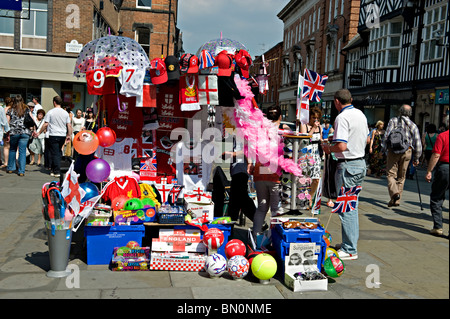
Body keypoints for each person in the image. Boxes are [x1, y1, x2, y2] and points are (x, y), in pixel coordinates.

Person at [322, 89, 369, 260]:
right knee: (351, 206)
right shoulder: (360, 115)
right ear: (351, 99)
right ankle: (349, 244)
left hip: (348, 165)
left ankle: (350, 249)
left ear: (336, 102)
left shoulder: (342, 117)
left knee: (346, 208)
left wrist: (328, 148)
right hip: (359, 163)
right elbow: (367, 139)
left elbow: (341, 146)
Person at [251, 106, 284, 241]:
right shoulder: (283, 133)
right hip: (275, 174)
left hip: (260, 173)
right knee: (275, 210)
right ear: (280, 117)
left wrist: (249, 164)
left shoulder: (259, 132)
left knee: (261, 208)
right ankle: (273, 239)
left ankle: (255, 237)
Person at [382, 104, 422, 207]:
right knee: (401, 176)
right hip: (407, 151)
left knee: (390, 174)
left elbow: (386, 136)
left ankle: (395, 194)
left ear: (400, 111)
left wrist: (384, 150)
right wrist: (417, 157)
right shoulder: (413, 125)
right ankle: (396, 200)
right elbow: (417, 142)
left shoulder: (393, 121)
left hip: (393, 151)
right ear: (410, 113)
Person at [33, 96, 72, 178]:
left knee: (54, 153)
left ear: (54, 102)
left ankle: (57, 170)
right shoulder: (65, 113)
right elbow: (69, 125)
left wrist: (39, 132)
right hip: (62, 135)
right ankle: (54, 169)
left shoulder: (50, 112)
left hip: (53, 134)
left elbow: (46, 124)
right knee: (58, 151)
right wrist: (69, 135)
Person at [222, 133, 255, 225]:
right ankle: (231, 223)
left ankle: (258, 221)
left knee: (241, 197)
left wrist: (249, 163)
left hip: (240, 170)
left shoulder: (243, 131)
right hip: (237, 169)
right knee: (235, 199)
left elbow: (247, 149)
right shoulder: (237, 131)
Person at [425, 116, 449, 237]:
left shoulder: (443, 136)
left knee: (437, 197)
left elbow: (436, 155)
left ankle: (438, 227)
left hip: (445, 168)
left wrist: (429, 170)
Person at [5, 95, 35, 176]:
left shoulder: (10, 110)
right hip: (25, 132)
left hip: (14, 133)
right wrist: (33, 130)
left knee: (12, 149)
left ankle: (11, 168)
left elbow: (7, 122)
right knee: (22, 151)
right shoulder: (26, 109)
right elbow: (32, 119)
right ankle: (21, 171)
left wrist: (7, 133)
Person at [300, 106, 323, 207]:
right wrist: (313, 128)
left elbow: (320, 140)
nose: (316, 120)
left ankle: (311, 196)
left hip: (316, 154)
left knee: (316, 179)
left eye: (318, 118)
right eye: (314, 118)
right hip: (306, 154)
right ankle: (303, 197)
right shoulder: (305, 125)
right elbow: (304, 140)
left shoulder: (320, 127)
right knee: (305, 178)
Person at [1, 97, 13, 169]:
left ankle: (6, 162)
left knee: (6, 147)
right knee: (14, 147)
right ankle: (14, 162)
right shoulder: (14, 110)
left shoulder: (4, 109)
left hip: (5, 130)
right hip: (14, 130)